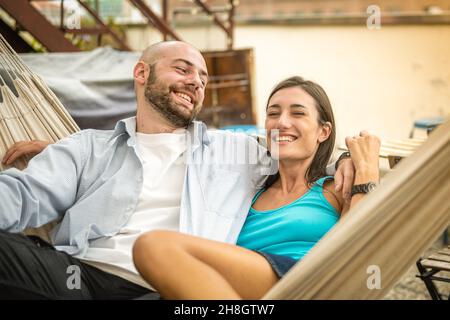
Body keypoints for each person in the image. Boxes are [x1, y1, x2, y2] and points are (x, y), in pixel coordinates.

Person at [0, 41, 356, 299]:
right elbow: (21, 196)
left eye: (201, 78)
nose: (196, 82)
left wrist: (347, 161)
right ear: (142, 73)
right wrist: (59, 149)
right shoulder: (87, 147)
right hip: (78, 275)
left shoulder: (234, 151)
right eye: (183, 69)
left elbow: (304, 152)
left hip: (172, 287)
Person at [132, 76, 381, 300]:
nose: (281, 123)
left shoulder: (334, 188)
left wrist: (366, 169)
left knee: (154, 247)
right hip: (239, 291)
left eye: (298, 113)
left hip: (307, 280)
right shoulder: (248, 192)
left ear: (323, 132)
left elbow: (359, 247)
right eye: (273, 113)